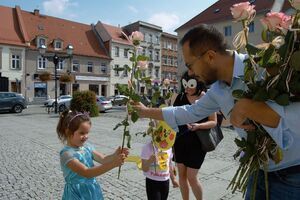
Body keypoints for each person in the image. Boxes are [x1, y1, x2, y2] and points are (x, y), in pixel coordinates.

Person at [133, 24, 300, 200]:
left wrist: (246, 107)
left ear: (210, 56)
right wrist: (145, 112)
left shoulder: (264, 66)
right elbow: (189, 112)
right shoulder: (218, 90)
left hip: (293, 173)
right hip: (259, 170)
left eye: (190, 65)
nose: (190, 72)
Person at [57, 110, 129, 200]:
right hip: (76, 194)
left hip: (92, 190)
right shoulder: (66, 154)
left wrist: (115, 155)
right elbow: (86, 172)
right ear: (68, 132)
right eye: (82, 133)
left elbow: (103, 159)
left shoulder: (87, 147)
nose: (86, 136)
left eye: (87, 133)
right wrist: (113, 164)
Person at [171, 71, 216, 200]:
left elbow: (213, 122)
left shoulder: (206, 98)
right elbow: (171, 115)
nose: (187, 88)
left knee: (192, 177)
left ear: (198, 84)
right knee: (182, 176)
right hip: (180, 142)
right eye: (185, 84)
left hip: (198, 144)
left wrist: (198, 126)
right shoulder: (179, 97)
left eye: (190, 84)